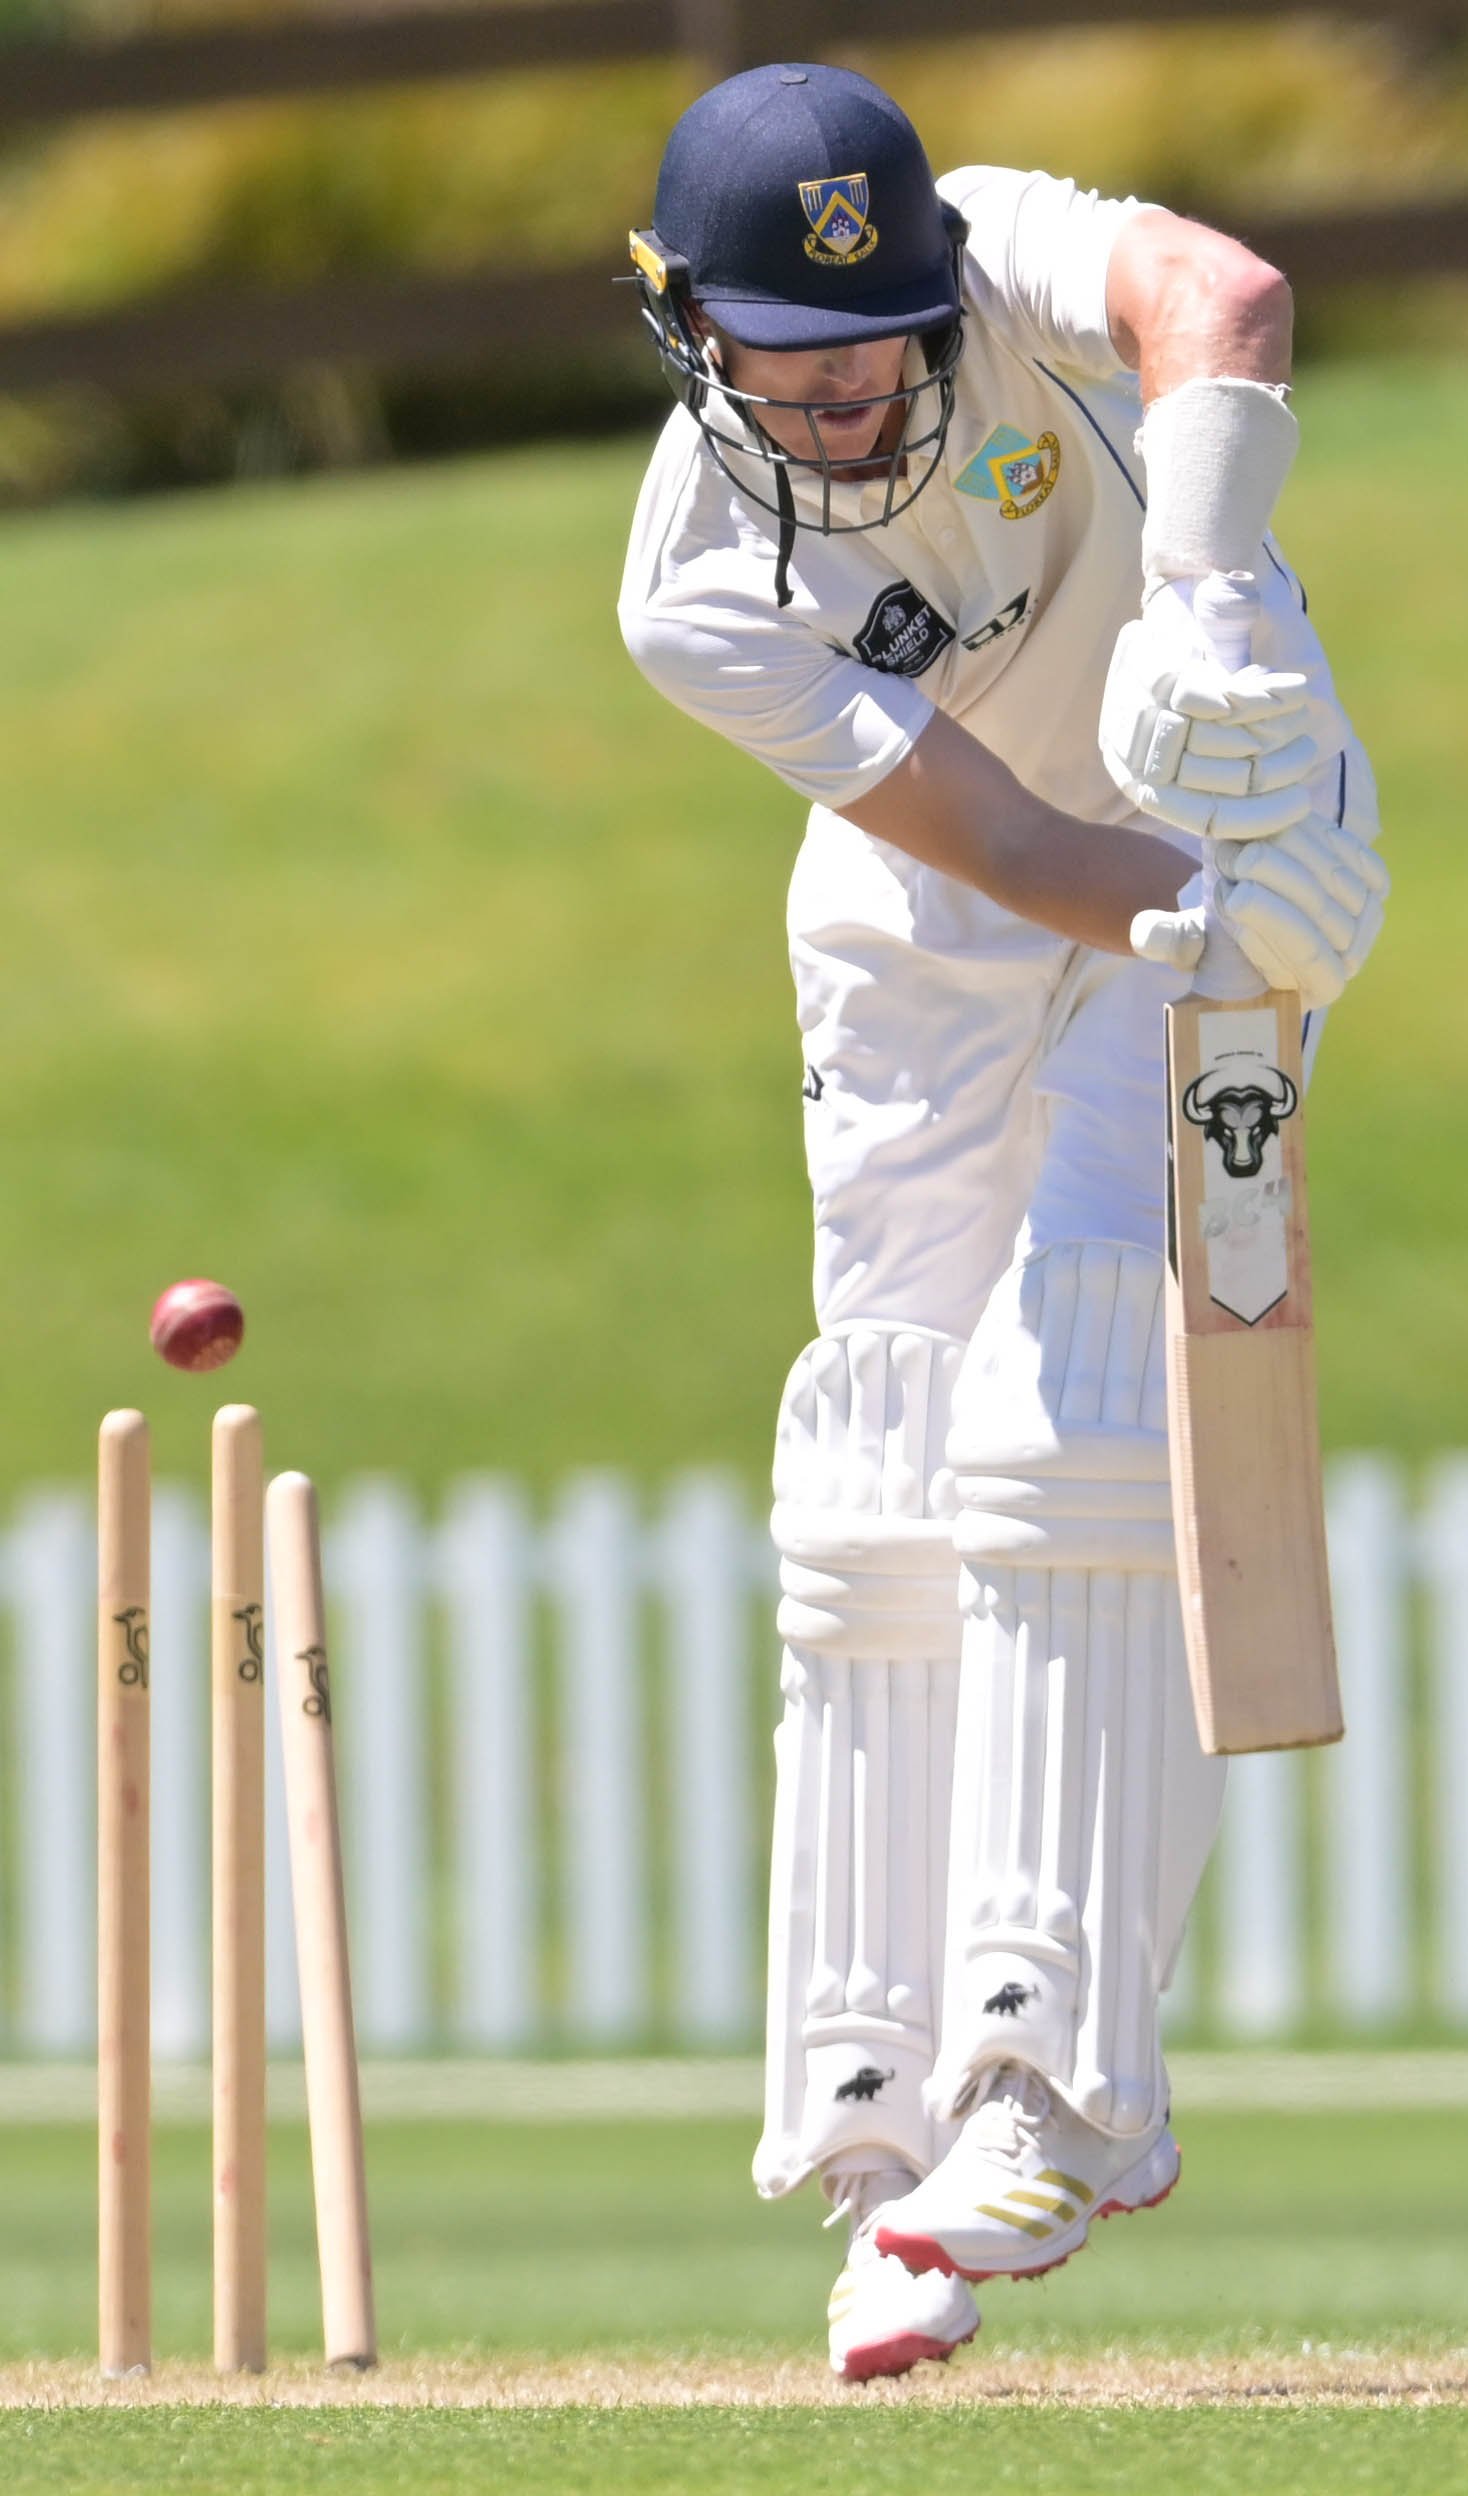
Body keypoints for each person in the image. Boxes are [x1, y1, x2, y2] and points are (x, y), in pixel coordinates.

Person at [618, 61, 1386, 2382]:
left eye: (877, 351)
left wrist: (1212, 609)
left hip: (1214, 776)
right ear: (687, 328)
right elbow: (1021, 852)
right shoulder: (692, 584)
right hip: (953, 914)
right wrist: (1224, 919)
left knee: (1065, 1408)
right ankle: (878, 2143)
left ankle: (1049, 2096)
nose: (848, 403)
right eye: (790, 362)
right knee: (875, 1480)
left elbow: (1216, 292)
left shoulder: (992, 249)